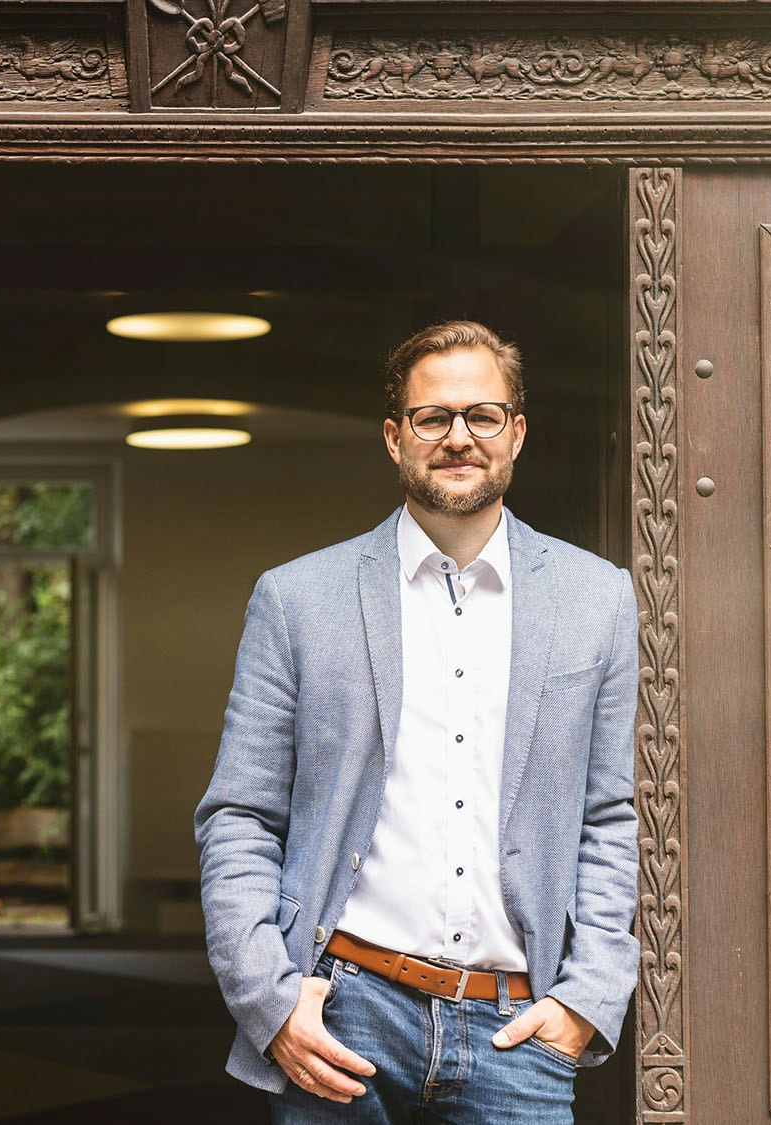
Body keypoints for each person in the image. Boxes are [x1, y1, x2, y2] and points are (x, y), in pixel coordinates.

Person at [195, 321, 640, 1122]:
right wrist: (269, 998)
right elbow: (240, 814)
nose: (458, 437)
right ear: (396, 438)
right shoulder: (297, 600)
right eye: (433, 418)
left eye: (483, 415)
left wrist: (589, 996)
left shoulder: (597, 598)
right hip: (340, 1017)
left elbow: (609, 817)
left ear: (518, 433)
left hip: (520, 1028)